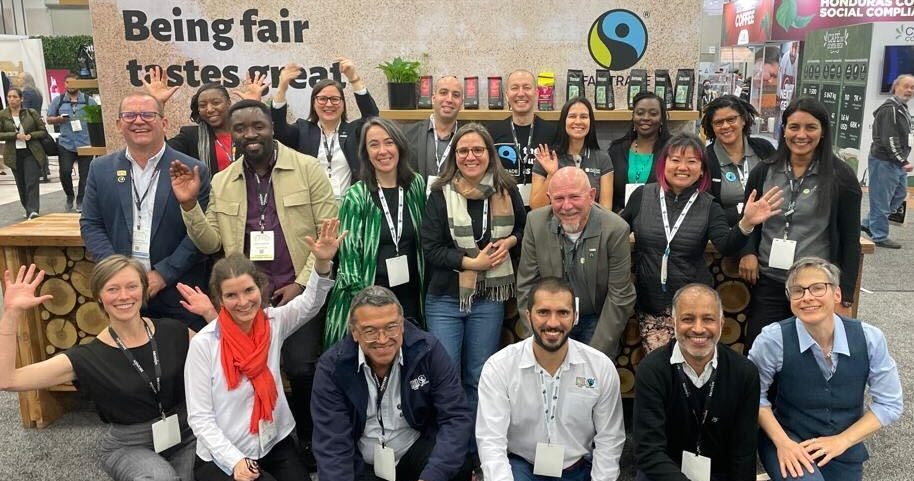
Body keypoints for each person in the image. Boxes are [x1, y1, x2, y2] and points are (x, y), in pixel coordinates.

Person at [170, 98, 338, 467]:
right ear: (231, 134)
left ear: (272, 128)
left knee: (302, 367)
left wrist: (302, 282)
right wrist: (189, 206)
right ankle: (254, 436)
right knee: (246, 370)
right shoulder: (222, 181)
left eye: (257, 126)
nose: (250, 134)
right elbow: (211, 242)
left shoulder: (308, 169)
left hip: (295, 289)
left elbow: (327, 231)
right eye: (241, 129)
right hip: (246, 298)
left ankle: (307, 438)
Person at [0, 257, 198, 481]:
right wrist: (12, 314)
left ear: (144, 290)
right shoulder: (87, 357)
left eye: (131, 286)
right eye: (112, 289)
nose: (124, 296)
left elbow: (220, 358)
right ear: (99, 297)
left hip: (185, 432)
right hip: (130, 445)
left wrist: (211, 314)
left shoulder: (174, 331)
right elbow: (7, 380)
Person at [181, 220, 343, 481]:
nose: (243, 302)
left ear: (260, 288)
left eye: (249, 290)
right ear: (219, 300)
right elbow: (200, 419)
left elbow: (310, 303)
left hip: (273, 442)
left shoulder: (273, 322)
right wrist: (235, 461)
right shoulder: (204, 344)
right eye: (231, 296)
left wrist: (322, 263)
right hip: (225, 455)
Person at [622, 132, 783, 352]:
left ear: (701, 170)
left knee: (694, 364)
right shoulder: (642, 195)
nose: (682, 167)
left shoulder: (709, 205)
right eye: (675, 160)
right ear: (663, 164)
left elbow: (726, 245)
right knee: (658, 366)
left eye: (691, 161)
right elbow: (617, 229)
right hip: (652, 305)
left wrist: (746, 223)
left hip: (694, 307)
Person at [421, 122, 525, 460]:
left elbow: (523, 228)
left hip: (488, 300)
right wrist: (471, 263)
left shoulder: (506, 189)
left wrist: (510, 241)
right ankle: (448, 452)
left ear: (489, 154)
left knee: (479, 377)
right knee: (446, 376)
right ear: (454, 155)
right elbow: (430, 248)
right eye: (463, 150)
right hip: (445, 299)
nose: (470, 156)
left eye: (478, 149)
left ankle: (475, 452)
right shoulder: (440, 193)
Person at [749, 257, 903, 481]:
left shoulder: (870, 338)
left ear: (837, 294)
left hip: (844, 447)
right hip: (789, 439)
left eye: (818, 288)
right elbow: (754, 396)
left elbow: (890, 404)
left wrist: (843, 440)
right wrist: (783, 442)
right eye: (798, 291)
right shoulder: (773, 339)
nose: (807, 297)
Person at [311, 285, 474, 481]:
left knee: (457, 465)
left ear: (402, 325)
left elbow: (455, 417)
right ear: (354, 332)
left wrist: (432, 477)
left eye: (391, 327)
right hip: (362, 466)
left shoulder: (428, 350)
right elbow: (332, 444)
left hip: (415, 457)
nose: (382, 339)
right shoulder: (331, 368)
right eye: (370, 331)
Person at [80, 92, 212, 330]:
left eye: (148, 115)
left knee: (182, 350)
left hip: (179, 291)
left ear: (164, 123)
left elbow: (198, 234)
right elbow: (91, 224)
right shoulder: (100, 169)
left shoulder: (193, 170)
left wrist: (163, 275)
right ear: (119, 124)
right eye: (130, 115)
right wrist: (119, 273)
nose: (138, 121)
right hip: (123, 294)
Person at [739, 98, 863, 349]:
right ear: (784, 130)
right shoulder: (764, 171)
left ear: (823, 131)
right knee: (761, 349)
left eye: (811, 127)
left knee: (811, 353)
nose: (801, 135)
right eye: (794, 127)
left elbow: (851, 240)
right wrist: (748, 251)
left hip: (815, 286)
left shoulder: (841, 177)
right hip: (769, 280)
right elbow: (749, 217)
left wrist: (845, 296)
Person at [476, 277, 625, 481]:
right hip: (522, 468)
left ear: (575, 317)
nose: (553, 323)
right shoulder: (499, 367)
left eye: (563, 313)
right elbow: (491, 441)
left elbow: (610, 439)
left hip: (577, 469)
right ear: (528, 316)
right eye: (543, 312)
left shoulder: (600, 368)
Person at [633, 283, 760, 481]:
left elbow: (743, 453)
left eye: (708, 319)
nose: (698, 329)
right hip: (663, 473)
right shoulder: (652, 371)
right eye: (688, 319)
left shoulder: (744, 373)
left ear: (721, 323)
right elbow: (648, 450)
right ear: (674, 322)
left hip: (719, 474)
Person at [324, 117, 427, 348]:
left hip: (410, 297)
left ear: (399, 146)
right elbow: (349, 263)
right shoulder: (356, 196)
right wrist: (368, 310)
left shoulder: (415, 186)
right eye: (374, 144)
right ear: (366, 153)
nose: (383, 151)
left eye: (388, 142)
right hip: (367, 302)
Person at [517, 166, 635, 352]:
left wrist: (596, 353)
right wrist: (536, 340)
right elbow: (526, 286)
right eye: (559, 198)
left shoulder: (615, 229)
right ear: (549, 198)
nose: (567, 206)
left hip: (597, 318)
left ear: (591, 196)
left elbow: (620, 295)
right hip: (550, 317)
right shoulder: (535, 223)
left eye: (574, 197)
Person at [272, 58, 379, 199]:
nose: (329, 104)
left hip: (349, 206)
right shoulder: (303, 130)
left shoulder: (354, 131)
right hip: (312, 206)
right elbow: (279, 130)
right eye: (322, 99)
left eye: (334, 99)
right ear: (313, 103)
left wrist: (354, 79)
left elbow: (372, 116)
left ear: (343, 104)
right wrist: (282, 88)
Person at [142, 66, 267, 174]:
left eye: (216, 103)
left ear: (228, 103)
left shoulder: (247, 133)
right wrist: (157, 104)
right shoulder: (191, 136)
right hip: (209, 195)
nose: (209, 109)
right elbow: (160, 155)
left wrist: (254, 107)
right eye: (202, 105)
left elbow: (270, 148)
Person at [702, 95, 776, 226]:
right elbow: (707, 211)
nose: (725, 126)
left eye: (731, 119)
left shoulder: (764, 149)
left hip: (768, 229)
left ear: (743, 120)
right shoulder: (706, 159)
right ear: (712, 126)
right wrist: (742, 213)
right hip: (728, 231)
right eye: (718, 122)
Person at [487, 69, 557, 206]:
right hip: (503, 207)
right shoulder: (491, 132)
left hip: (542, 209)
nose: (520, 93)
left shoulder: (553, 132)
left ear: (536, 93)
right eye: (514, 88)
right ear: (507, 95)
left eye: (526, 87)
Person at [531, 97, 614, 210]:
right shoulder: (547, 157)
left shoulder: (602, 159)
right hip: (555, 221)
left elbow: (606, 210)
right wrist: (551, 175)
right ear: (564, 121)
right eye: (572, 116)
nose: (578, 121)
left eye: (584, 117)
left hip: (592, 221)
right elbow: (536, 207)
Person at [861, 74, 914, 249]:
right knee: (881, 200)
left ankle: (868, 223)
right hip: (884, 161)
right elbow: (889, 139)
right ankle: (879, 235)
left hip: (895, 162)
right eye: (906, 86)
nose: (909, 90)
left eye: (912, 87)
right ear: (895, 87)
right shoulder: (889, 109)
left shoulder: (902, 108)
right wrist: (902, 160)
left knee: (899, 195)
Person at [608, 91, 671, 212]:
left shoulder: (672, 150)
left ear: (662, 119)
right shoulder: (616, 150)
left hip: (659, 218)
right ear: (633, 117)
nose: (646, 118)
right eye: (640, 113)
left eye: (653, 113)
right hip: (620, 219)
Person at [47, 73, 98, 212]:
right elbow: (49, 119)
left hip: (86, 142)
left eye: (73, 82)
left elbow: (97, 120)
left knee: (85, 175)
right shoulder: (59, 100)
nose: (70, 85)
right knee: (65, 172)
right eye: (68, 83)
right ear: (64, 84)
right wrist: (58, 119)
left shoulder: (88, 101)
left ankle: (81, 199)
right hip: (66, 143)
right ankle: (69, 195)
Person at [0, 87, 48, 218]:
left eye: (15, 97)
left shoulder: (30, 113)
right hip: (14, 153)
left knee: (31, 181)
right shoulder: (2, 115)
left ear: (21, 99)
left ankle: (33, 210)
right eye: (9, 97)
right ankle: (27, 207)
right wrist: (15, 135)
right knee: (21, 183)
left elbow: (43, 131)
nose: (12, 99)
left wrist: (31, 135)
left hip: (31, 151)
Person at [405, 75, 464, 183]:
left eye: (455, 95)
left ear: (461, 103)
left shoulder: (468, 138)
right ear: (433, 99)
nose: (449, 99)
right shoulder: (408, 135)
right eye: (443, 93)